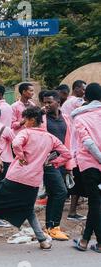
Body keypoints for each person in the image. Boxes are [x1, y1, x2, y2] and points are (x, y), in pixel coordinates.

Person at [0, 106, 71, 251]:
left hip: (16, 176)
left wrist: (20, 156)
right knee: (28, 209)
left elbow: (15, 143)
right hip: (33, 180)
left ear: (32, 119)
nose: (24, 122)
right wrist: (53, 162)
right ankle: (42, 240)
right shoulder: (50, 138)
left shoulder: (26, 132)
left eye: (25, 119)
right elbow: (67, 154)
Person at [41, 90, 76, 240]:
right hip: (48, 162)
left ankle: (50, 227)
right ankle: (54, 227)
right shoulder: (41, 119)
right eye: (45, 102)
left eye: (49, 102)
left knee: (54, 194)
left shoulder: (67, 118)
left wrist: (69, 166)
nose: (46, 105)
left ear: (58, 103)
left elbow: (70, 142)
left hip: (63, 161)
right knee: (61, 193)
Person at [72, 83, 101, 253]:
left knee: (95, 202)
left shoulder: (80, 117)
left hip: (88, 163)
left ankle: (97, 242)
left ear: (86, 98)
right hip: (95, 162)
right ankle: (84, 240)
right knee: (96, 203)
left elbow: (87, 142)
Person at [66, 81, 88, 221]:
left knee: (77, 182)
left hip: (75, 149)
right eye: (83, 89)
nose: (84, 92)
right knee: (79, 183)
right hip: (82, 151)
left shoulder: (67, 104)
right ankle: (72, 212)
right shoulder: (78, 104)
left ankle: (73, 211)